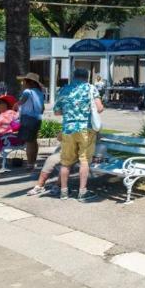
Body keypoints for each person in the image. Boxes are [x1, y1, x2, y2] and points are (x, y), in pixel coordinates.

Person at [53, 67, 104, 202]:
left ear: (73, 76)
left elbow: (57, 112)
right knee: (84, 161)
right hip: (85, 129)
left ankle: (63, 192)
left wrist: (70, 111)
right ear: (87, 77)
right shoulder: (91, 88)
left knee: (65, 162)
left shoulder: (64, 89)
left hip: (68, 130)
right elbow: (99, 108)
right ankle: (82, 192)